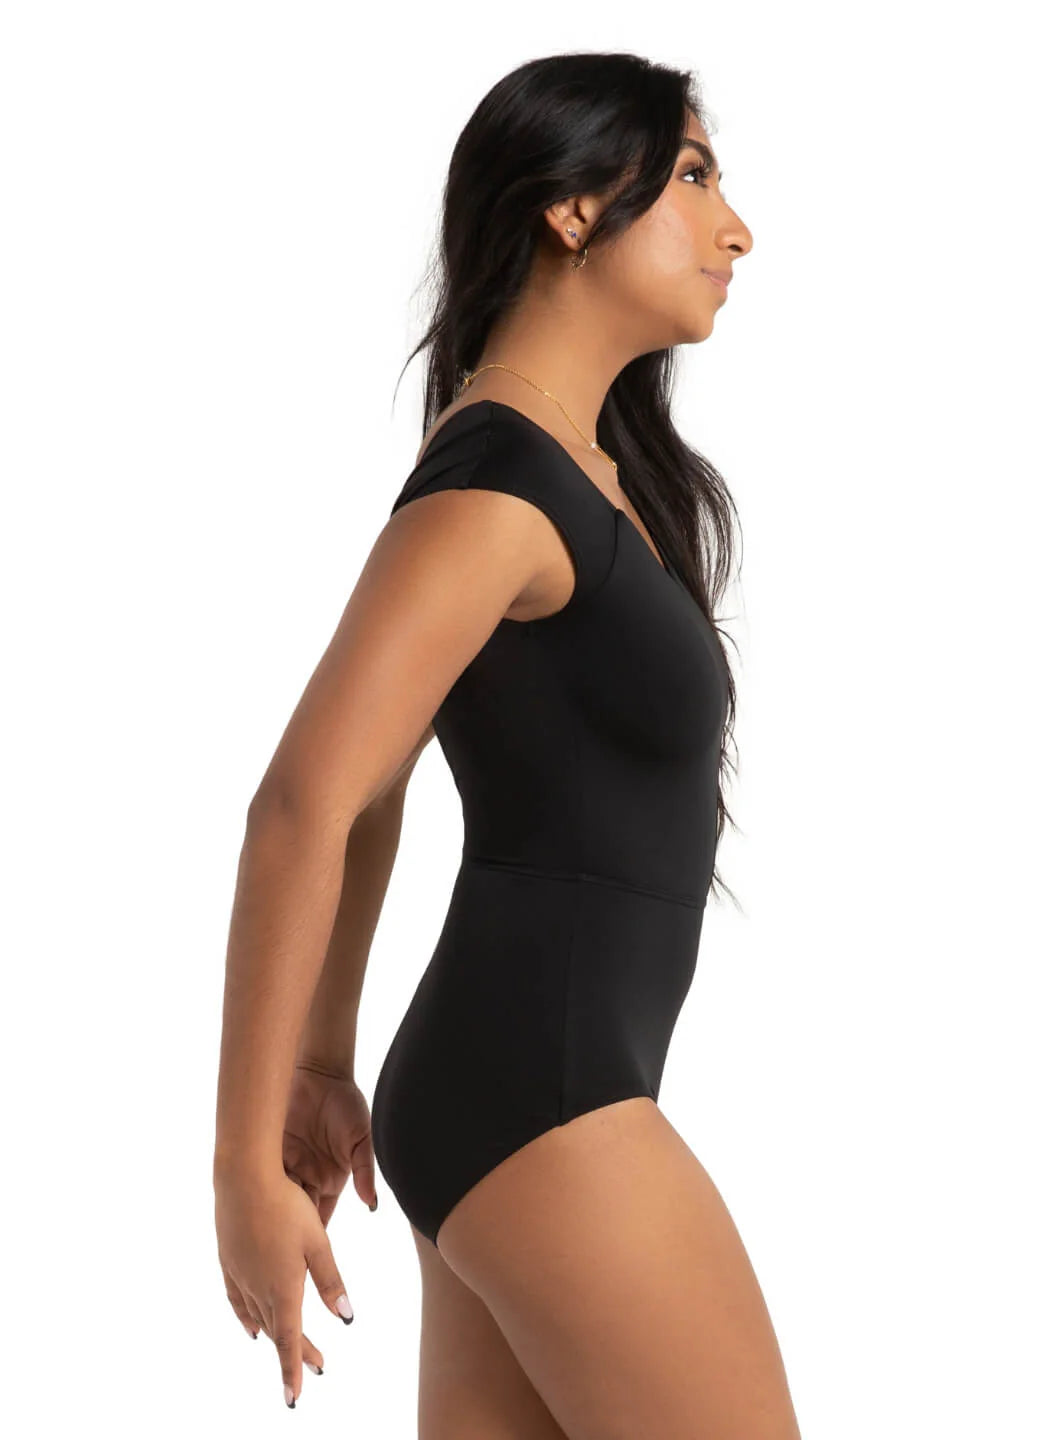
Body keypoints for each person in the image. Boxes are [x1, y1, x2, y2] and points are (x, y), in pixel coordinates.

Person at [214, 50, 801, 1439]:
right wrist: (242, 1165)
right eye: (695, 175)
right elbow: (303, 800)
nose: (736, 229)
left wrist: (327, 1058)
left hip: (517, 1093)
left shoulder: (572, 472)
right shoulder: (497, 488)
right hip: (548, 1098)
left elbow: (375, 794)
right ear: (574, 207)